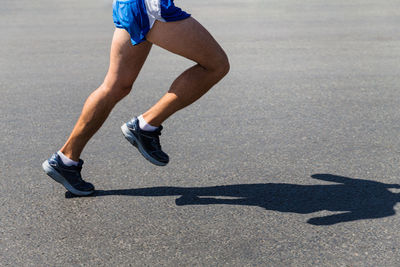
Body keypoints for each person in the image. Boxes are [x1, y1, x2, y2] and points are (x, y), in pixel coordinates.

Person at [42, 0, 230, 196]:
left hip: (130, 5)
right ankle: (145, 126)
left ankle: (65, 160)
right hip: (150, 6)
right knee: (216, 65)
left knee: (116, 86)